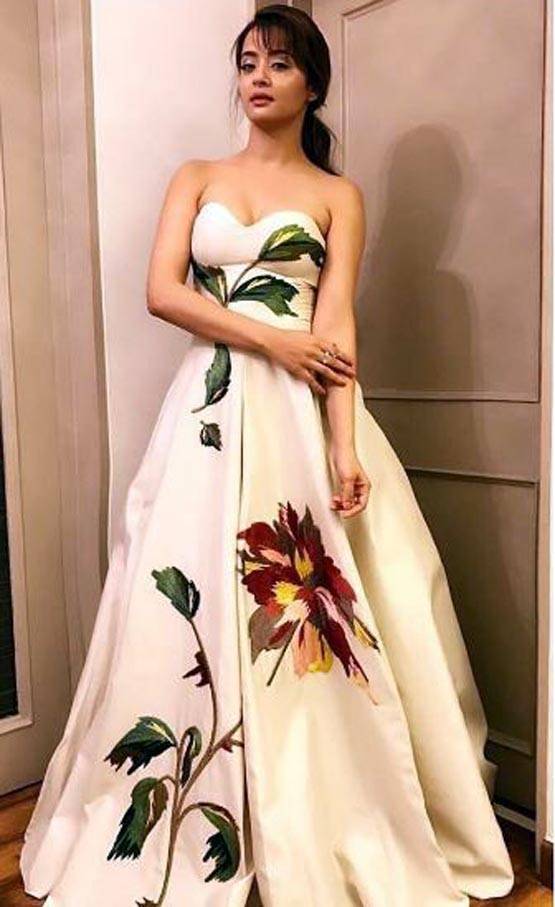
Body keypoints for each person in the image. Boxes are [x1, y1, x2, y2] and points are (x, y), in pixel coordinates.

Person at [20, 5, 515, 905]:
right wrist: (272, 340)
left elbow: (336, 326)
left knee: (319, 604)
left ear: (311, 84)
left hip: (302, 415)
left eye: (280, 64)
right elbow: (162, 290)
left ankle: (327, 809)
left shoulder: (338, 196)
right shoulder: (196, 175)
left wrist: (342, 445)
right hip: (209, 412)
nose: (257, 76)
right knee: (187, 590)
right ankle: (195, 804)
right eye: (247, 61)